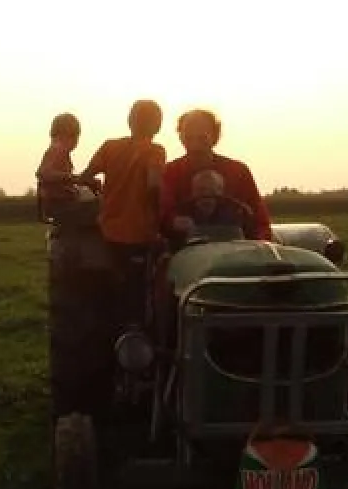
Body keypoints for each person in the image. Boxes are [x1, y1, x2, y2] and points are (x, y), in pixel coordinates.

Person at [76, 99, 167, 326]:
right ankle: (139, 332)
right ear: (157, 126)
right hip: (139, 233)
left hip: (108, 229)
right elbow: (154, 186)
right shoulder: (155, 151)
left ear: (130, 121)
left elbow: (85, 177)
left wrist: (99, 188)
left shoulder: (110, 147)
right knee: (141, 287)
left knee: (112, 285)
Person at [159, 109, 273, 242]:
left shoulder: (238, 171)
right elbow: (160, 214)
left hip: (232, 249)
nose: (195, 145)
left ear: (215, 137)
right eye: (189, 138)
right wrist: (172, 221)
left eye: (202, 138)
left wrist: (261, 243)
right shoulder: (169, 172)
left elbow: (259, 219)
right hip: (183, 251)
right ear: (181, 138)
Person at [35, 112, 85, 222]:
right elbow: (43, 173)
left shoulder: (59, 151)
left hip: (59, 202)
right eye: (75, 136)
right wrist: (71, 177)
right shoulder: (58, 149)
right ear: (68, 135)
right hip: (61, 203)